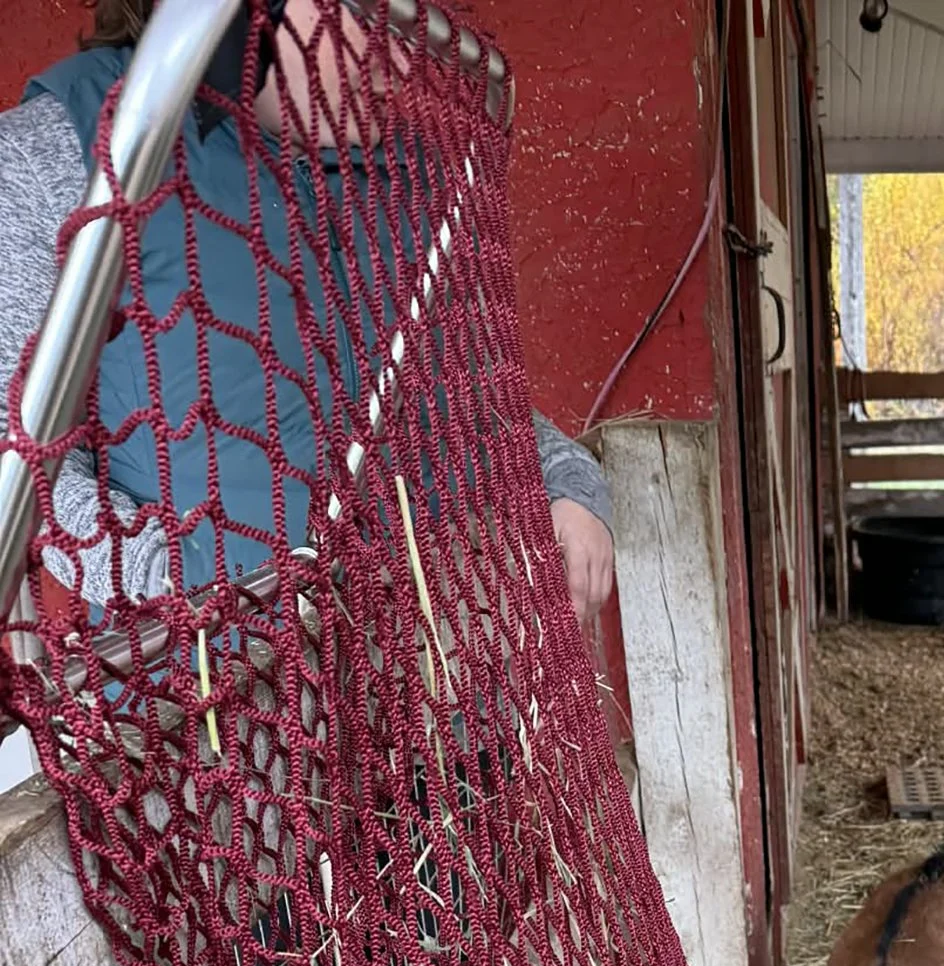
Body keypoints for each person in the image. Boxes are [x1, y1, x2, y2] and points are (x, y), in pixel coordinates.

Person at [0, 0, 617, 647]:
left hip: (420, 701)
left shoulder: (399, 174)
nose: (403, 60)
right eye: (372, 14)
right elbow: (17, 456)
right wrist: (165, 575)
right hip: (210, 707)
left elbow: (460, 395)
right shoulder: (74, 148)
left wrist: (568, 484)